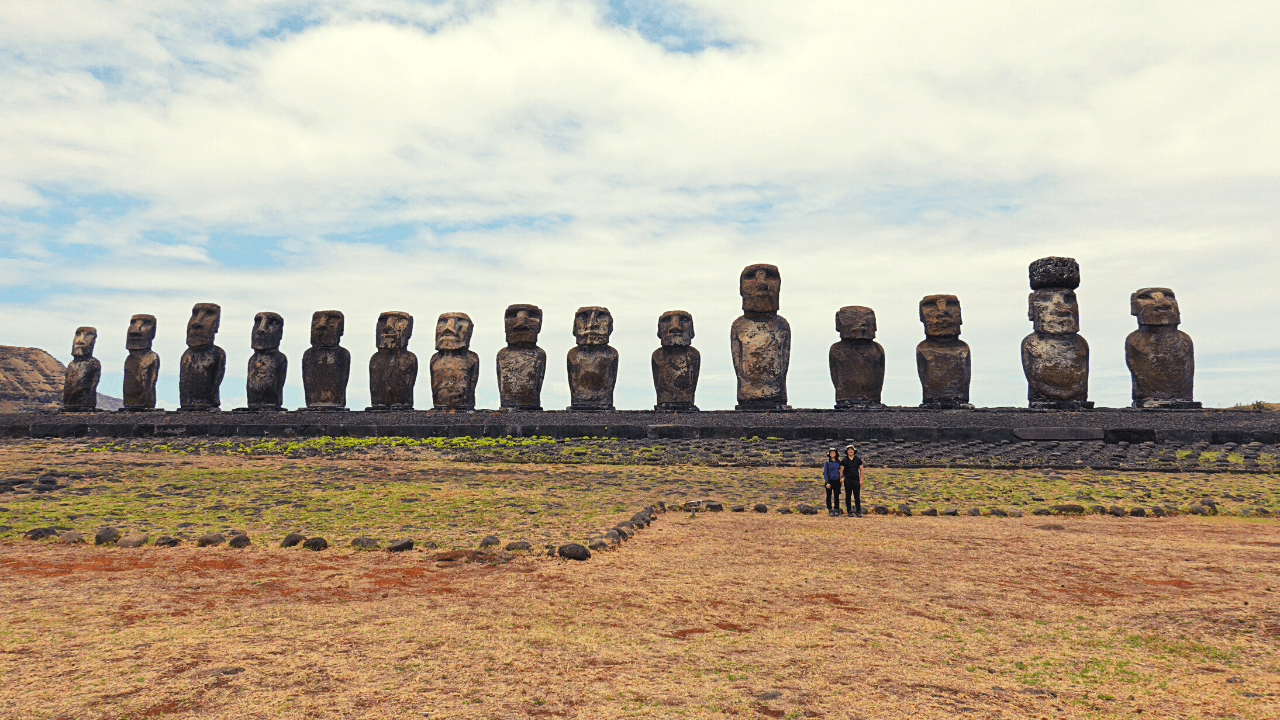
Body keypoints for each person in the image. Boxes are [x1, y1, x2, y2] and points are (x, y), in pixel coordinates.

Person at [840, 445, 864, 517]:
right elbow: (841, 470)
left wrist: (861, 480)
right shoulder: (844, 460)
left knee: (857, 496)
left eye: (852, 450)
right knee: (848, 496)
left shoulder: (858, 459)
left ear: (854, 451)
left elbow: (861, 470)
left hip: (856, 480)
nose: (850, 451)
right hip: (847, 480)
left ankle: (858, 511)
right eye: (849, 450)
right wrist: (842, 477)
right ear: (847, 451)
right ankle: (849, 511)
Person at [822, 448, 843, 516]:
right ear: (829, 454)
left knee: (836, 496)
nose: (832, 454)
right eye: (831, 453)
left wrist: (843, 477)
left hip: (837, 481)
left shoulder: (838, 462)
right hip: (829, 481)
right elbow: (825, 472)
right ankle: (830, 509)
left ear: (836, 453)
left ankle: (836, 509)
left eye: (833, 452)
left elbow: (841, 471)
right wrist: (827, 482)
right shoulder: (827, 462)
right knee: (829, 496)